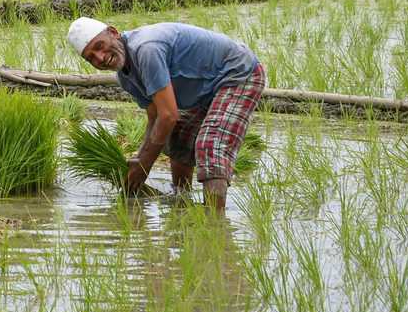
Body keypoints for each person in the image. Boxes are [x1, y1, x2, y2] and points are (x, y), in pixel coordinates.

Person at [67, 18, 265, 209]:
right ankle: (182, 202)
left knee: (210, 144)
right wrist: (139, 158)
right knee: (177, 138)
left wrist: (144, 165)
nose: (100, 57)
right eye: (91, 57)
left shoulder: (146, 49)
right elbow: (155, 117)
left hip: (238, 73)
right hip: (205, 87)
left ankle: (214, 223)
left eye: (99, 46)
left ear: (113, 32)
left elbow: (168, 116)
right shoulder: (125, 78)